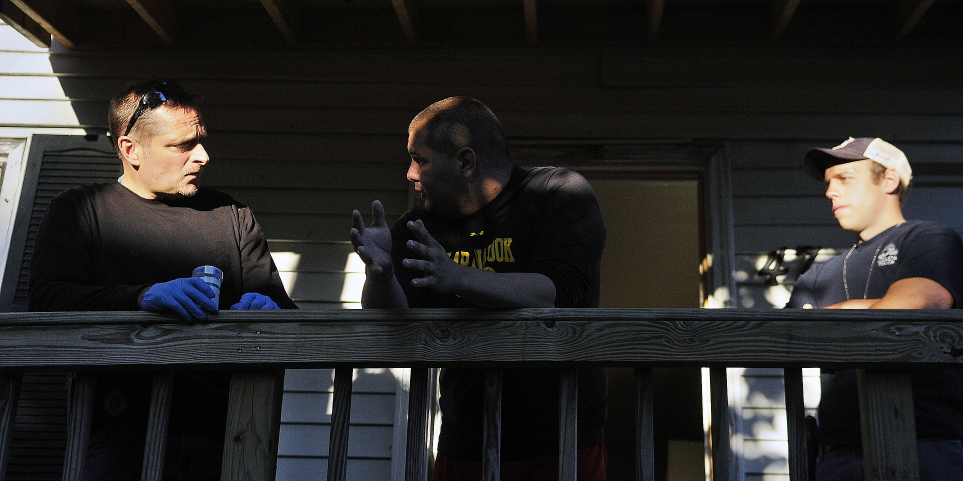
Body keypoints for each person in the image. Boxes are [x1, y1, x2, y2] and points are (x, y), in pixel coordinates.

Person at [28, 79, 297, 481]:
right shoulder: (81, 210)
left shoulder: (232, 215)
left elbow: (282, 309)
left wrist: (267, 310)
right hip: (118, 433)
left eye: (201, 141)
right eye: (182, 145)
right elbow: (48, 299)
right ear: (130, 149)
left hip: (226, 434)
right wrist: (144, 297)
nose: (203, 156)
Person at [351, 97, 608, 480]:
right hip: (465, 441)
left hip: (561, 442)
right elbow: (383, 316)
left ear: (466, 163)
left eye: (419, 159)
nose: (409, 173)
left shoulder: (557, 193)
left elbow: (554, 291)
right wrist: (381, 275)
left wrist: (457, 276)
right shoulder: (421, 223)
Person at [786, 137, 963, 481]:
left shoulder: (929, 239)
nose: (829, 192)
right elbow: (789, 338)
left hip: (927, 447)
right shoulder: (819, 273)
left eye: (844, 179)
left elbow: (914, 309)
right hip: (838, 455)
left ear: (889, 181)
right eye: (828, 182)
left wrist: (837, 315)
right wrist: (870, 308)